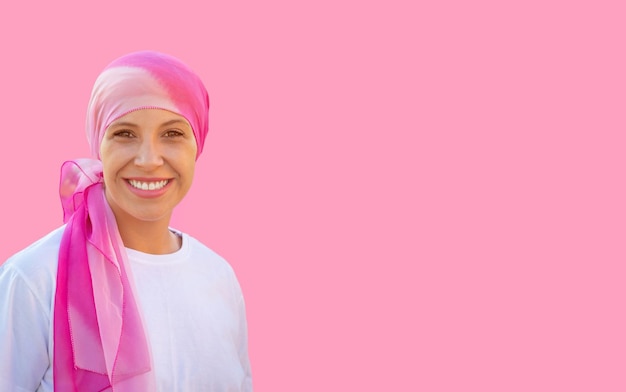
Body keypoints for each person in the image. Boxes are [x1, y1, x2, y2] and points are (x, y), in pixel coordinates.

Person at [0, 51, 253, 391]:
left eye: (173, 133)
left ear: (198, 145)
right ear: (98, 145)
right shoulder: (35, 278)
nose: (149, 160)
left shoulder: (219, 277)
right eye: (125, 133)